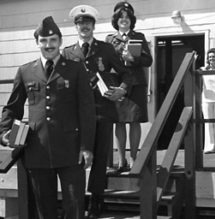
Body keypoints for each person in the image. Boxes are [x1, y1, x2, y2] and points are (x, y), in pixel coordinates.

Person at [0, 16, 96, 219]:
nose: (48, 45)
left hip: (71, 150)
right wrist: (4, 133)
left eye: (52, 40)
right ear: (37, 43)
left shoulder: (76, 68)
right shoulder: (26, 71)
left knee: (75, 208)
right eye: (43, 40)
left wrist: (86, 147)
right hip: (38, 151)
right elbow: (12, 107)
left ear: (60, 41)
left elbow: (86, 110)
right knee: (44, 211)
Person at [62, 5, 132, 218]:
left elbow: (126, 73)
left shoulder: (106, 49)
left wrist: (121, 89)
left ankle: (96, 201)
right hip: (76, 115)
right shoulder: (67, 53)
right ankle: (77, 201)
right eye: (80, 23)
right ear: (76, 27)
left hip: (102, 111)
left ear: (94, 26)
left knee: (100, 157)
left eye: (88, 23)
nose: (84, 26)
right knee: (78, 157)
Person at [105, 2, 153, 170]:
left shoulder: (139, 36)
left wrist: (135, 59)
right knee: (118, 121)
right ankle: (121, 159)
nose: (124, 20)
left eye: (127, 17)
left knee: (134, 121)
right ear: (116, 20)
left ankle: (133, 157)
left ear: (131, 20)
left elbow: (149, 61)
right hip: (118, 85)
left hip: (137, 84)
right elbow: (106, 63)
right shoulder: (110, 39)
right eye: (120, 17)